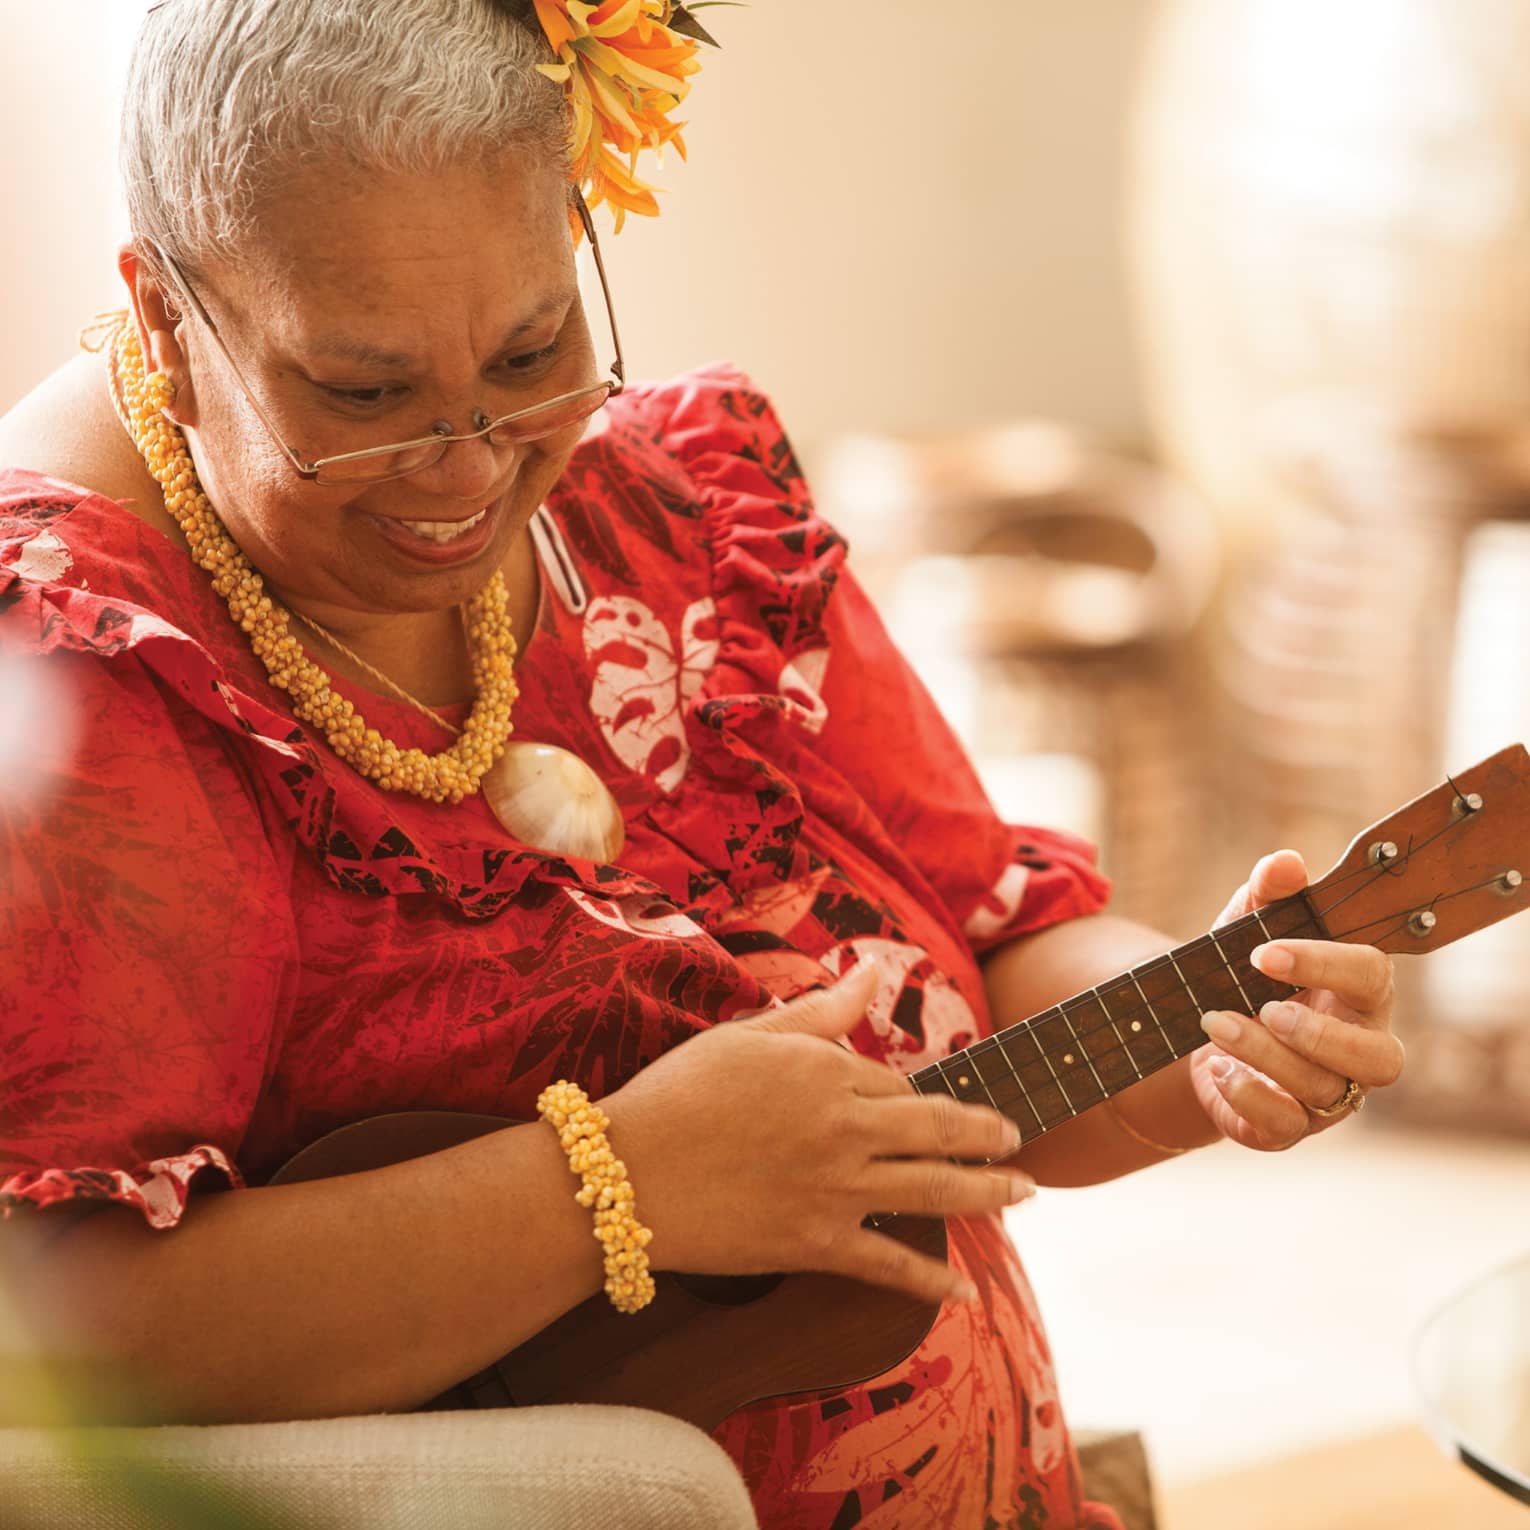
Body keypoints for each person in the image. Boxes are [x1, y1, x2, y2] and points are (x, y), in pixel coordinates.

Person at [0, 3, 1404, 1526]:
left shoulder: (682, 511)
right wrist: (613, 1181)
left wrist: (1204, 1039)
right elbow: (70, 1329)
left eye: (531, 346)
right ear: (160, 320)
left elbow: (994, 956)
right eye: (362, 392)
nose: (471, 463)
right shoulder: (81, 677)